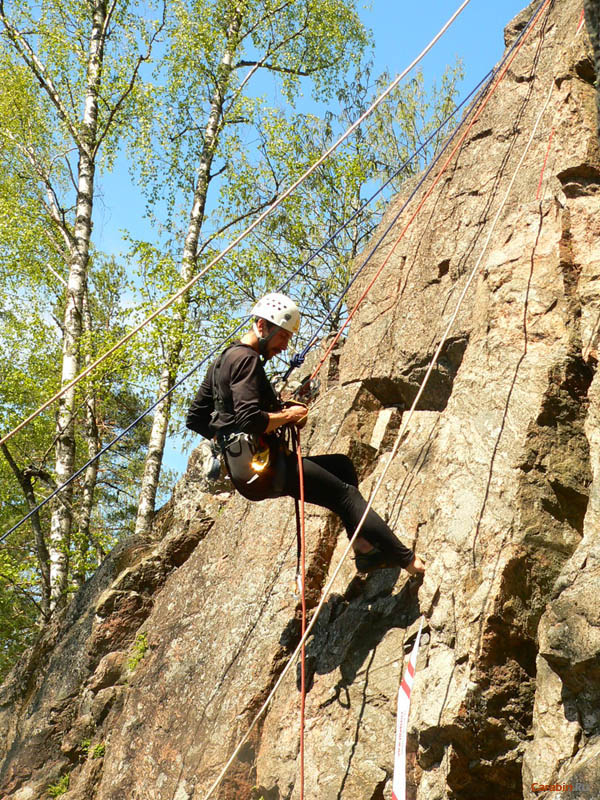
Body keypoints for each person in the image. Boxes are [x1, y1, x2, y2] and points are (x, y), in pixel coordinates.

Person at [186, 292, 425, 576]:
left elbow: (196, 417)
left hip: (249, 470)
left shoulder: (224, 360)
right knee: (345, 496)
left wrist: (228, 438)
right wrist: (287, 416)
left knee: (342, 467)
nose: (284, 346)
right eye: (282, 337)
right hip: (268, 468)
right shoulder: (246, 360)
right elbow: (250, 419)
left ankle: (363, 549)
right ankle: (409, 561)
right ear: (262, 326)